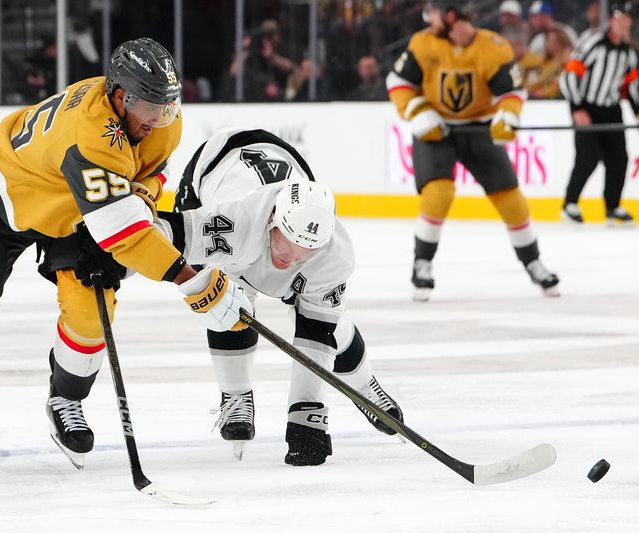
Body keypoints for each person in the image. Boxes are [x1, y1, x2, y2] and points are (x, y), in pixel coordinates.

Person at [0, 38, 252, 473]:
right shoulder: (89, 134)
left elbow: (145, 179)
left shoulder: (159, 122)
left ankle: (65, 401)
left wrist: (138, 204)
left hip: (76, 208)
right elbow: (125, 233)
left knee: (91, 311)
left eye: (169, 106)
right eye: (151, 108)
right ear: (120, 96)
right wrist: (194, 282)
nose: (161, 119)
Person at [165, 128, 404, 466]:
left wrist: (306, 413)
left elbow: (317, 332)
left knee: (330, 322)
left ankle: (365, 386)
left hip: (286, 172)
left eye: (306, 253)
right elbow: (167, 233)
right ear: (274, 220)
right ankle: (235, 396)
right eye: (287, 247)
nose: (290, 261)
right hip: (213, 169)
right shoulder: (235, 222)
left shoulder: (333, 253)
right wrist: (111, 243)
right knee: (227, 302)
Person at [386, 1, 560, 302]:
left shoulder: (492, 47)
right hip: (436, 128)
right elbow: (398, 81)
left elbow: (510, 91)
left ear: (452, 14)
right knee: (438, 194)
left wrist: (507, 116)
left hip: (478, 127)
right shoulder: (423, 42)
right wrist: (416, 111)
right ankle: (422, 263)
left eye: (436, 12)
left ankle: (533, 261)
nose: (430, 18)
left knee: (510, 198)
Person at [559, 2, 637, 226]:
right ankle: (569, 203)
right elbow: (569, 76)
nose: (624, 23)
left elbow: (630, 86)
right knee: (588, 157)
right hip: (587, 106)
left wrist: (637, 110)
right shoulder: (593, 42)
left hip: (611, 109)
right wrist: (577, 108)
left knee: (619, 159)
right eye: (620, 18)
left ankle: (612, 207)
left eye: (627, 19)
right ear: (611, 20)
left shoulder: (628, 53)